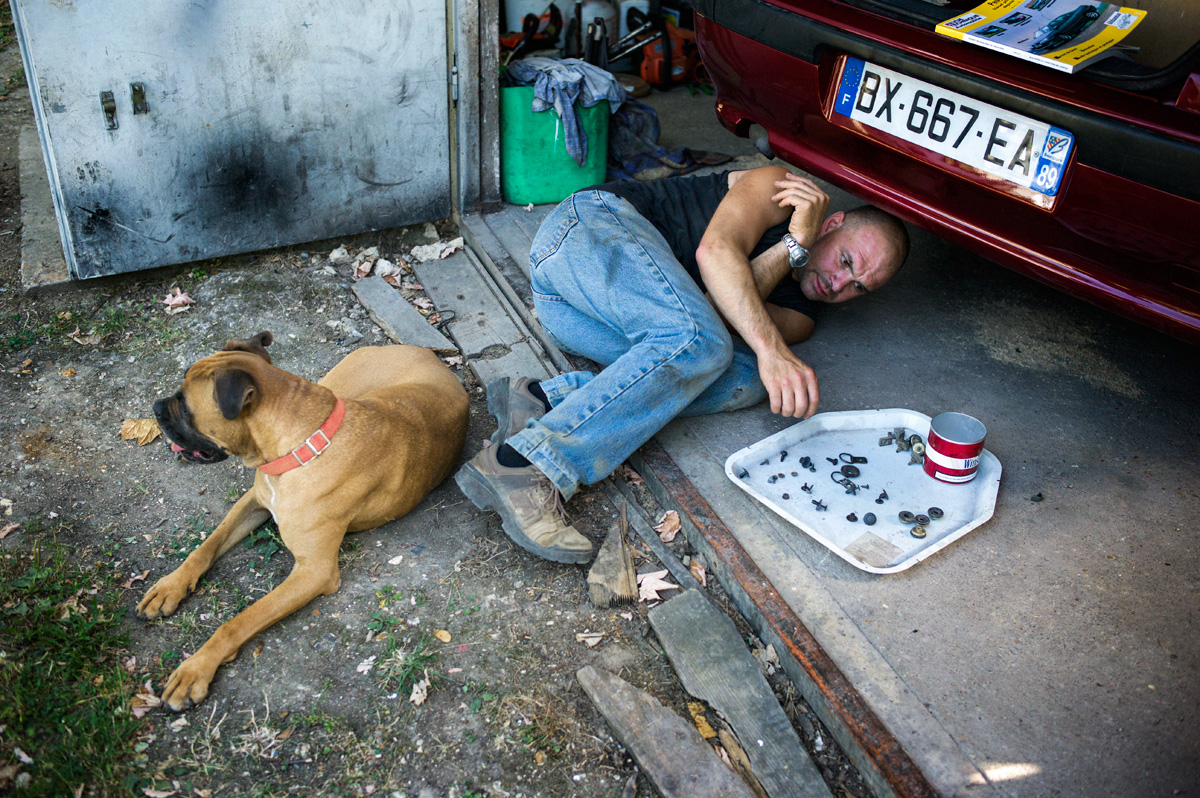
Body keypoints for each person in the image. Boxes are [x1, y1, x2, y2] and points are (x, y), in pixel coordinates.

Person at [455, 165, 909, 564]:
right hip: (587, 234)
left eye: (858, 287)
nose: (839, 283)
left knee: (744, 380)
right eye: (846, 260)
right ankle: (525, 465)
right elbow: (715, 255)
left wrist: (793, 260)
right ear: (831, 223)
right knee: (712, 346)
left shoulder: (802, 318)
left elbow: (709, 315)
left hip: (589, 317)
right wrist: (793, 246)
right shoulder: (780, 187)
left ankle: (541, 398)